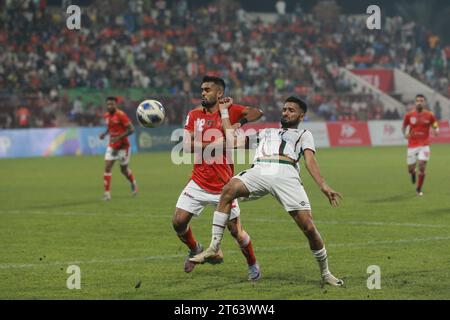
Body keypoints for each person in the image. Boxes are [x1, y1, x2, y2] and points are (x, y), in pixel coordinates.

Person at [190, 96, 345, 287]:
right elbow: (232, 141)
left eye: (291, 110)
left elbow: (310, 160)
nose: (286, 113)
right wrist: (224, 111)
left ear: (301, 115)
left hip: (286, 172)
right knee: (228, 189)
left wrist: (323, 185)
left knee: (309, 228)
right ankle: (214, 246)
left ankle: (326, 273)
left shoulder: (304, 134)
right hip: (260, 168)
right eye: (285, 109)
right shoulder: (266, 132)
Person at [173, 75, 264, 280]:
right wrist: (221, 143)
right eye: (202, 89)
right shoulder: (194, 114)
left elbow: (258, 112)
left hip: (223, 187)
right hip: (198, 180)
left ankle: (252, 264)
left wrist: (238, 122)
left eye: (207, 89)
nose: (202, 93)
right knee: (178, 222)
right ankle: (196, 248)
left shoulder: (229, 111)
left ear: (219, 93)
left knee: (237, 233)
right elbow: (187, 146)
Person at [99, 96, 138, 201]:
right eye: (108, 104)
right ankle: (107, 194)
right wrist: (105, 133)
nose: (109, 106)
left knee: (123, 170)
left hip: (123, 147)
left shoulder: (121, 115)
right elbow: (110, 127)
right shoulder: (107, 115)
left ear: (116, 105)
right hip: (112, 146)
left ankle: (133, 183)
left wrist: (119, 137)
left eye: (112, 104)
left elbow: (131, 129)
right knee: (107, 166)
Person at [402, 94, 439, 196]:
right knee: (410, 169)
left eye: (421, 100)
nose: (419, 102)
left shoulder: (429, 115)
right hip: (412, 145)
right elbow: (404, 126)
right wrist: (405, 134)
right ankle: (413, 172)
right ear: (415, 102)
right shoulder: (409, 115)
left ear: (424, 102)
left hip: (424, 145)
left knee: (422, 166)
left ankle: (419, 189)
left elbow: (434, 123)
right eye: (417, 100)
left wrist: (436, 129)